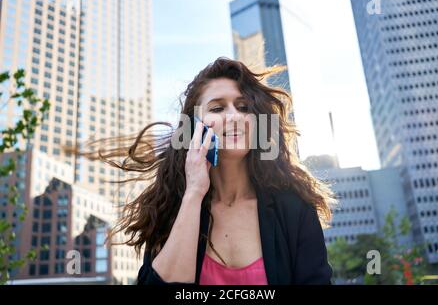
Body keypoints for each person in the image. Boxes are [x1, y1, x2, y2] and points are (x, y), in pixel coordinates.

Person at [75, 57, 335, 285]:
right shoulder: (171, 208)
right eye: (217, 108)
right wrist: (194, 193)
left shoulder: (294, 208)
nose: (233, 116)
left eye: (243, 107)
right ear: (193, 127)